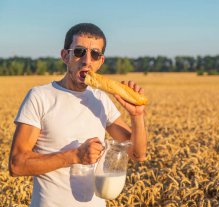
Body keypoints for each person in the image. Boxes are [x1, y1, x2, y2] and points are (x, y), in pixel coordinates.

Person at [8, 23, 147, 207]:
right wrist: (74, 156)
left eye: (95, 54)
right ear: (65, 56)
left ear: (101, 62)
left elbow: (138, 154)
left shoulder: (100, 99)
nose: (87, 61)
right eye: (80, 52)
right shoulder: (40, 97)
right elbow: (17, 165)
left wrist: (137, 116)